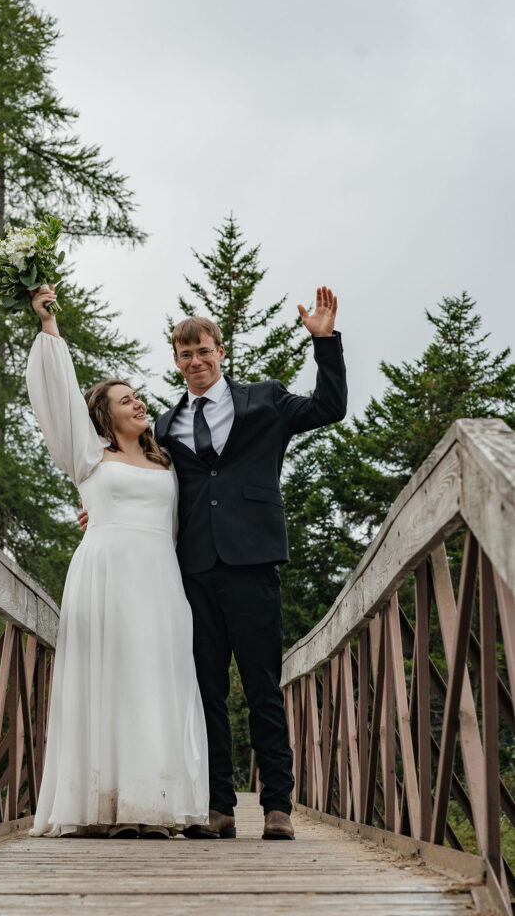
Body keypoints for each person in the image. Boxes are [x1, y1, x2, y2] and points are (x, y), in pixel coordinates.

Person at [81, 285, 347, 840]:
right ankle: (217, 806)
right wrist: (98, 512)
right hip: (191, 570)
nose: (196, 362)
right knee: (204, 690)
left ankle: (278, 805)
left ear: (220, 351)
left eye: (204, 351)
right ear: (175, 362)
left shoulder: (265, 400)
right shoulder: (167, 427)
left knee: (262, 686)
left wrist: (324, 343)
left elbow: (330, 408)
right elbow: (134, 474)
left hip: (253, 562)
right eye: (185, 355)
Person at [26, 284, 209, 839]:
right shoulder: (88, 456)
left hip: (160, 580)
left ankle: (153, 803)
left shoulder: (167, 461)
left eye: (138, 396)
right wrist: (49, 327)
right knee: (109, 682)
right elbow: (58, 398)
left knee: (158, 682)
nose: (138, 402)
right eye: (124, 399)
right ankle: (102, 806)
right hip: (105, 577)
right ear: (104, 416)